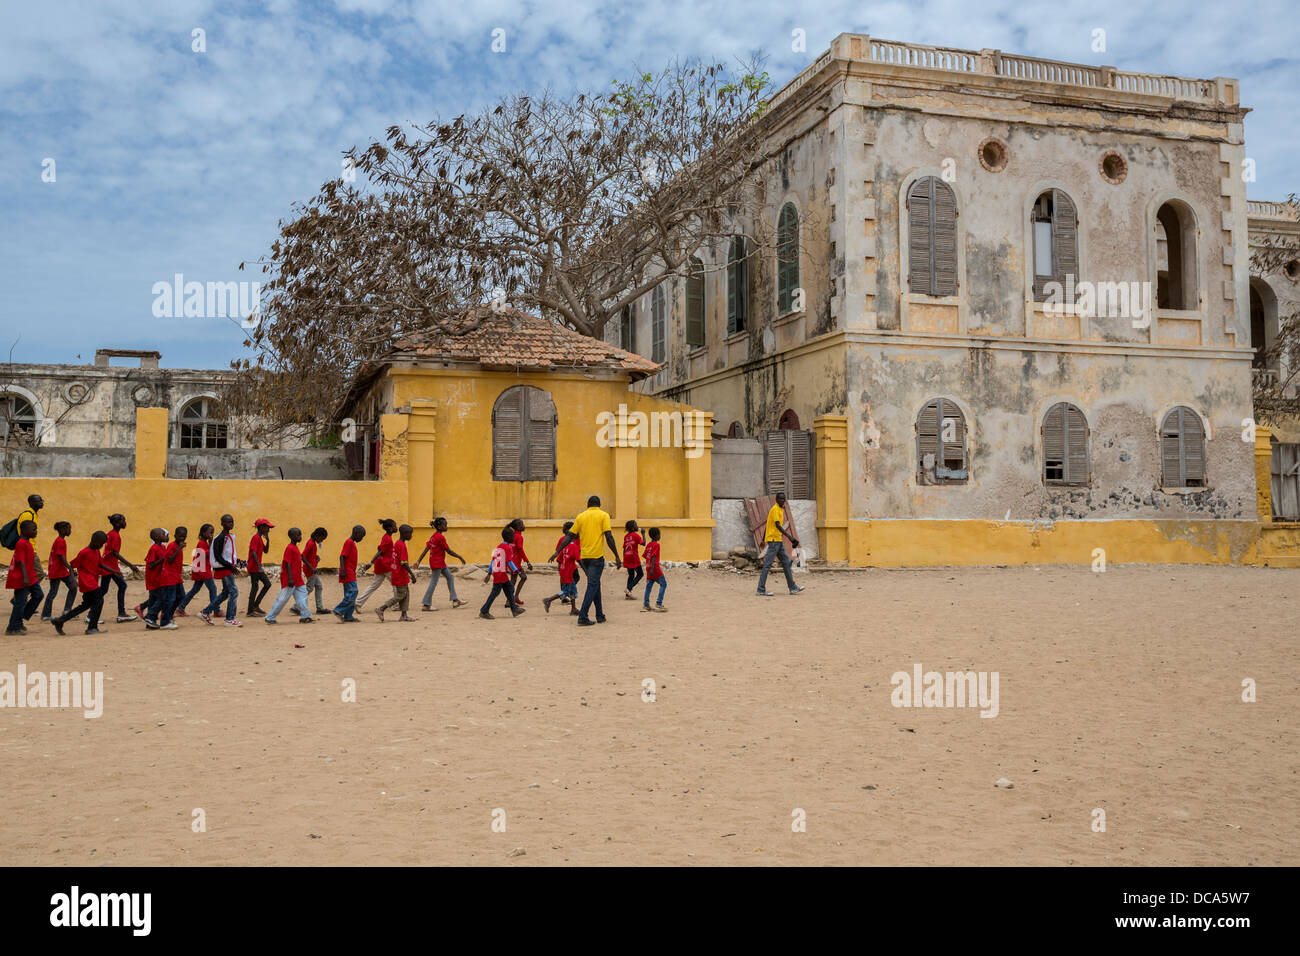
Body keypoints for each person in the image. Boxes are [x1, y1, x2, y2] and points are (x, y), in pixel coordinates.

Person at [551, 495, 619, 628]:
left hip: (584, 557)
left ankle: (600, 615)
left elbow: (569, 535)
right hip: (596, 557)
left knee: (596, 584)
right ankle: (583, 616)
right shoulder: (603, 515)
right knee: (593, 585)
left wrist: (557, 551)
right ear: (599, 505)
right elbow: (609, 536)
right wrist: (616, 555)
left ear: (588, 505)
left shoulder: (581, 517)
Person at [53, 531, 108, 636]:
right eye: (101, 544)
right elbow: (72, 565)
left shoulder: (96, 551)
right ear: (94, 541)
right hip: (87, 582)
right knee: (99, 601)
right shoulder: (84, 552)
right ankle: (92, 627)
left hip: (93, 581)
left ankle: (60, 621)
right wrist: (73, 580)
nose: (101, 546)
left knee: (86, 605)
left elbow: (100, 564)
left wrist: (114, 571)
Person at [756, 492, 806, 597]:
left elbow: (768, 525)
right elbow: (778, 525)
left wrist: (763, 539)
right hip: (774, 541)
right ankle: (760, 589)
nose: (782, 500)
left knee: (786, 562)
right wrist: (790, 537)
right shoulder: (775, 509)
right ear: (776, 499)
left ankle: (792, 588)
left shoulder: (779, 509)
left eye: (784, 499)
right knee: (767, 565)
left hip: (778, 541)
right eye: (780, 499)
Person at [200, 514, 243, 627]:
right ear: (222, 524)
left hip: (227, 567)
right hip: (224, 569)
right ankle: (229, 619)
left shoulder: (230, 536)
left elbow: (228, 554)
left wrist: (237, 562)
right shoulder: (220, 538)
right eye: (228, 522)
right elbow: (218, 556)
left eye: (232, 521)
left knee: (225, 593)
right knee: (233, 591)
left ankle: (205, 612)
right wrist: (231, 566)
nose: (231, 524)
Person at [264, 527, 313, 624]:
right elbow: (287, 563)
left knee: (303, 595)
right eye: (298, 535)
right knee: (282, 599)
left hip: (298, 579)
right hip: (290, 579)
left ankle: (305, 616)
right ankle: (270, 617)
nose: (300, 536)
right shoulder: (290, 548)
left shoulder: (295, 547)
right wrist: (290, 578)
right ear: (291, 536)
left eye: (300, 534)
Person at [99, 513, 141, 623]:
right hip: (110, 566)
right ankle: (92, 614)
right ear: (118, 523)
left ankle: (121, 613)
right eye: (123, 520)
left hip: (108, 565)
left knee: (105, 589)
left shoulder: (111, 534)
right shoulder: (115, 536)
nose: (125, 522)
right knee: (119, 586)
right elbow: (115, 553)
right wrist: (130, 565)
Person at [417, 517, 466, 610]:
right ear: (439, 527)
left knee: (450, 577)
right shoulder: (440, 537)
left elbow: (427, 549)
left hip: (439, 562)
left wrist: (418, 561)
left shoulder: (434, 536)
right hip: (437, 563)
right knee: (433, 582)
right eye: (445, 525)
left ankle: (455, 600)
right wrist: (460, 557)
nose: (446, 526)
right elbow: (448, 551)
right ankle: (426, 604)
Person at [480, 527, 525, 620]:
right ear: (508, 537)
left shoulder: (499, 546)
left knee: (509, 589)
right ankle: (484, 611)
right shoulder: (507, 548)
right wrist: (517, 571)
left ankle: (514, 609)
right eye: (512, 536)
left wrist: (489, 573)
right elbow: (509, 562)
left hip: (498, 572)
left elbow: (493, 561)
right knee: (495, 592)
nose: (514, 538)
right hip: (500, 573)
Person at [5, 519, 41, 635]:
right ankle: (12, 627)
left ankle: (20, 618)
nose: (36, 531)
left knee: (39, 595)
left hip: (31, 577)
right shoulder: (21, 543)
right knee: (20, 602)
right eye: (33, 529)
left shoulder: (27, 543)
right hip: (22, 578)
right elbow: (21, 562)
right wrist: (25, 578)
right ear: (25, 531)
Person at [377, 524, 416, 622]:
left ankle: (404, 615)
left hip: (398, 573)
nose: (411, 536)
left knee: (406, 594)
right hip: (399, 574)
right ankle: (381, 608)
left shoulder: (398, 543)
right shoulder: (401, 545)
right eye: (410, 533)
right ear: (404, 533)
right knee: (401, 595)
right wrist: (411, 574)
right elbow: (403, 563)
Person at [356, 518, 397, 609]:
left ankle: (358, 603)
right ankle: (396, 604)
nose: (396, 528)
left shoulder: (386, 537)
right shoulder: (388, 539)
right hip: (385, 565)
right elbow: (380, 551)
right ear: (390, 528)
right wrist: (370, 563)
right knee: (396, 584)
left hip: (380, 565)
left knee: (373, 586)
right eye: (395, 526)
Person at [542, 521, 581, 615]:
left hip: (566, 569)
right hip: (568, 570)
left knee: (572, 589)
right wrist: (586, 571)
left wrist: (560, 567)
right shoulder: (573, 546)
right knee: (567, 590)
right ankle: (549, 599)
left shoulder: (565, 547)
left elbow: (559, 557)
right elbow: (579, 559)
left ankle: (573, 609)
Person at [41, 520, 77, 622]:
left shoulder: (60, 540)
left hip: (60, 570)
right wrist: (70, 568)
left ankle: (66, 611)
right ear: (62, 529)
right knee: (53, 592)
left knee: (73, 587)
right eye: (69, 528)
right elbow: (61, 556)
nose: (70, 531)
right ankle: (46, 614)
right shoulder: (60, 541)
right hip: (57, 570)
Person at [178, 524, 216, 615]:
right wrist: (211, 544)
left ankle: (181, 607)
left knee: (195, 589)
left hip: (201, 568)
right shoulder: (201, 543)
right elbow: (205, 555)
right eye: (210, 532)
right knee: (213, 589)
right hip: (202, 569)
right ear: (203, 533)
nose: (212, 534)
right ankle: (216, 609)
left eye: (212, 533)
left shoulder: (204, 543)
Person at [332, 524, 366, 622]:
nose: (362, 539)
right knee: (353, 591)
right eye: (361, 536)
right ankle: (338, 610)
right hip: (347, 572)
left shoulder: (351, 543)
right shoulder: (349, 542)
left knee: (349, 593)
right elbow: (342, 556)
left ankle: (348, 616)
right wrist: (343, 570)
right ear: (356, 533)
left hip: (350, 571)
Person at [141, 528, 170, 630]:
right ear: (157, 537)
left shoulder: (162, 547)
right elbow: (151, 565)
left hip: (159, 578)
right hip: (154, 579)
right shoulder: (154, 549)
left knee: (153, 600)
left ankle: (150, 623)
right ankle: (150, 616)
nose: (166, 536)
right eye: (163, 534)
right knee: (163, 598)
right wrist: (162, 559)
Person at [296, 527, 328, 616]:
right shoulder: (310, 543)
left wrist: (315, 558)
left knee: (319, 586)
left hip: (312, 569)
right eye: (322, 539)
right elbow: (303, 556)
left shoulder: (313, 543)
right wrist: (311, 567)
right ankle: (296, 607)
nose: (321, 541)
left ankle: (320, 608)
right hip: (310, 570)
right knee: (309, 588)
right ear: (317, 535)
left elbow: (309, 556)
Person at [246, 519, 274, 617]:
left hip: (257, 567)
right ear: (261, 527)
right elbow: (253, 552)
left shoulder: (259, 538)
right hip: (254, 567)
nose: (268, 530)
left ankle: (255, 606)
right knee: (255, 587)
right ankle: (250, 610)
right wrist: (259, 566)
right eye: (267, 528)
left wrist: (268, 540)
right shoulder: (255, 538)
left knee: (267, 584)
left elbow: (265, 551)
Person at [641, 527, 667, 612]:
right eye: (659, 534)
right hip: (654, 568)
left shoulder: (648, 545)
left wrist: (649, 568)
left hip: (648, 567)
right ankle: (659, 603)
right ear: (656, 536)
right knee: (663, 584)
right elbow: (653, 556)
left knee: (648, 586)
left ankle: (646, 604)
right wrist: (652, 568)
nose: (660, 536)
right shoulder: (656, 545)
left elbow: (645, 555)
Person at [622, 520, 644, 600]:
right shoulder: (636, 535)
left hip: (627, 557)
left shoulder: (626, 536)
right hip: (634, 557)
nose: (637, 526)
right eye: (636, 525)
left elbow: (624, 549)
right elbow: (643, 543)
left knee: (631, 575)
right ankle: (628, 589)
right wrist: (643, 534)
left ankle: (628, 595)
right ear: (632, 527)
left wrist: (624, 559)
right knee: (640, 574)